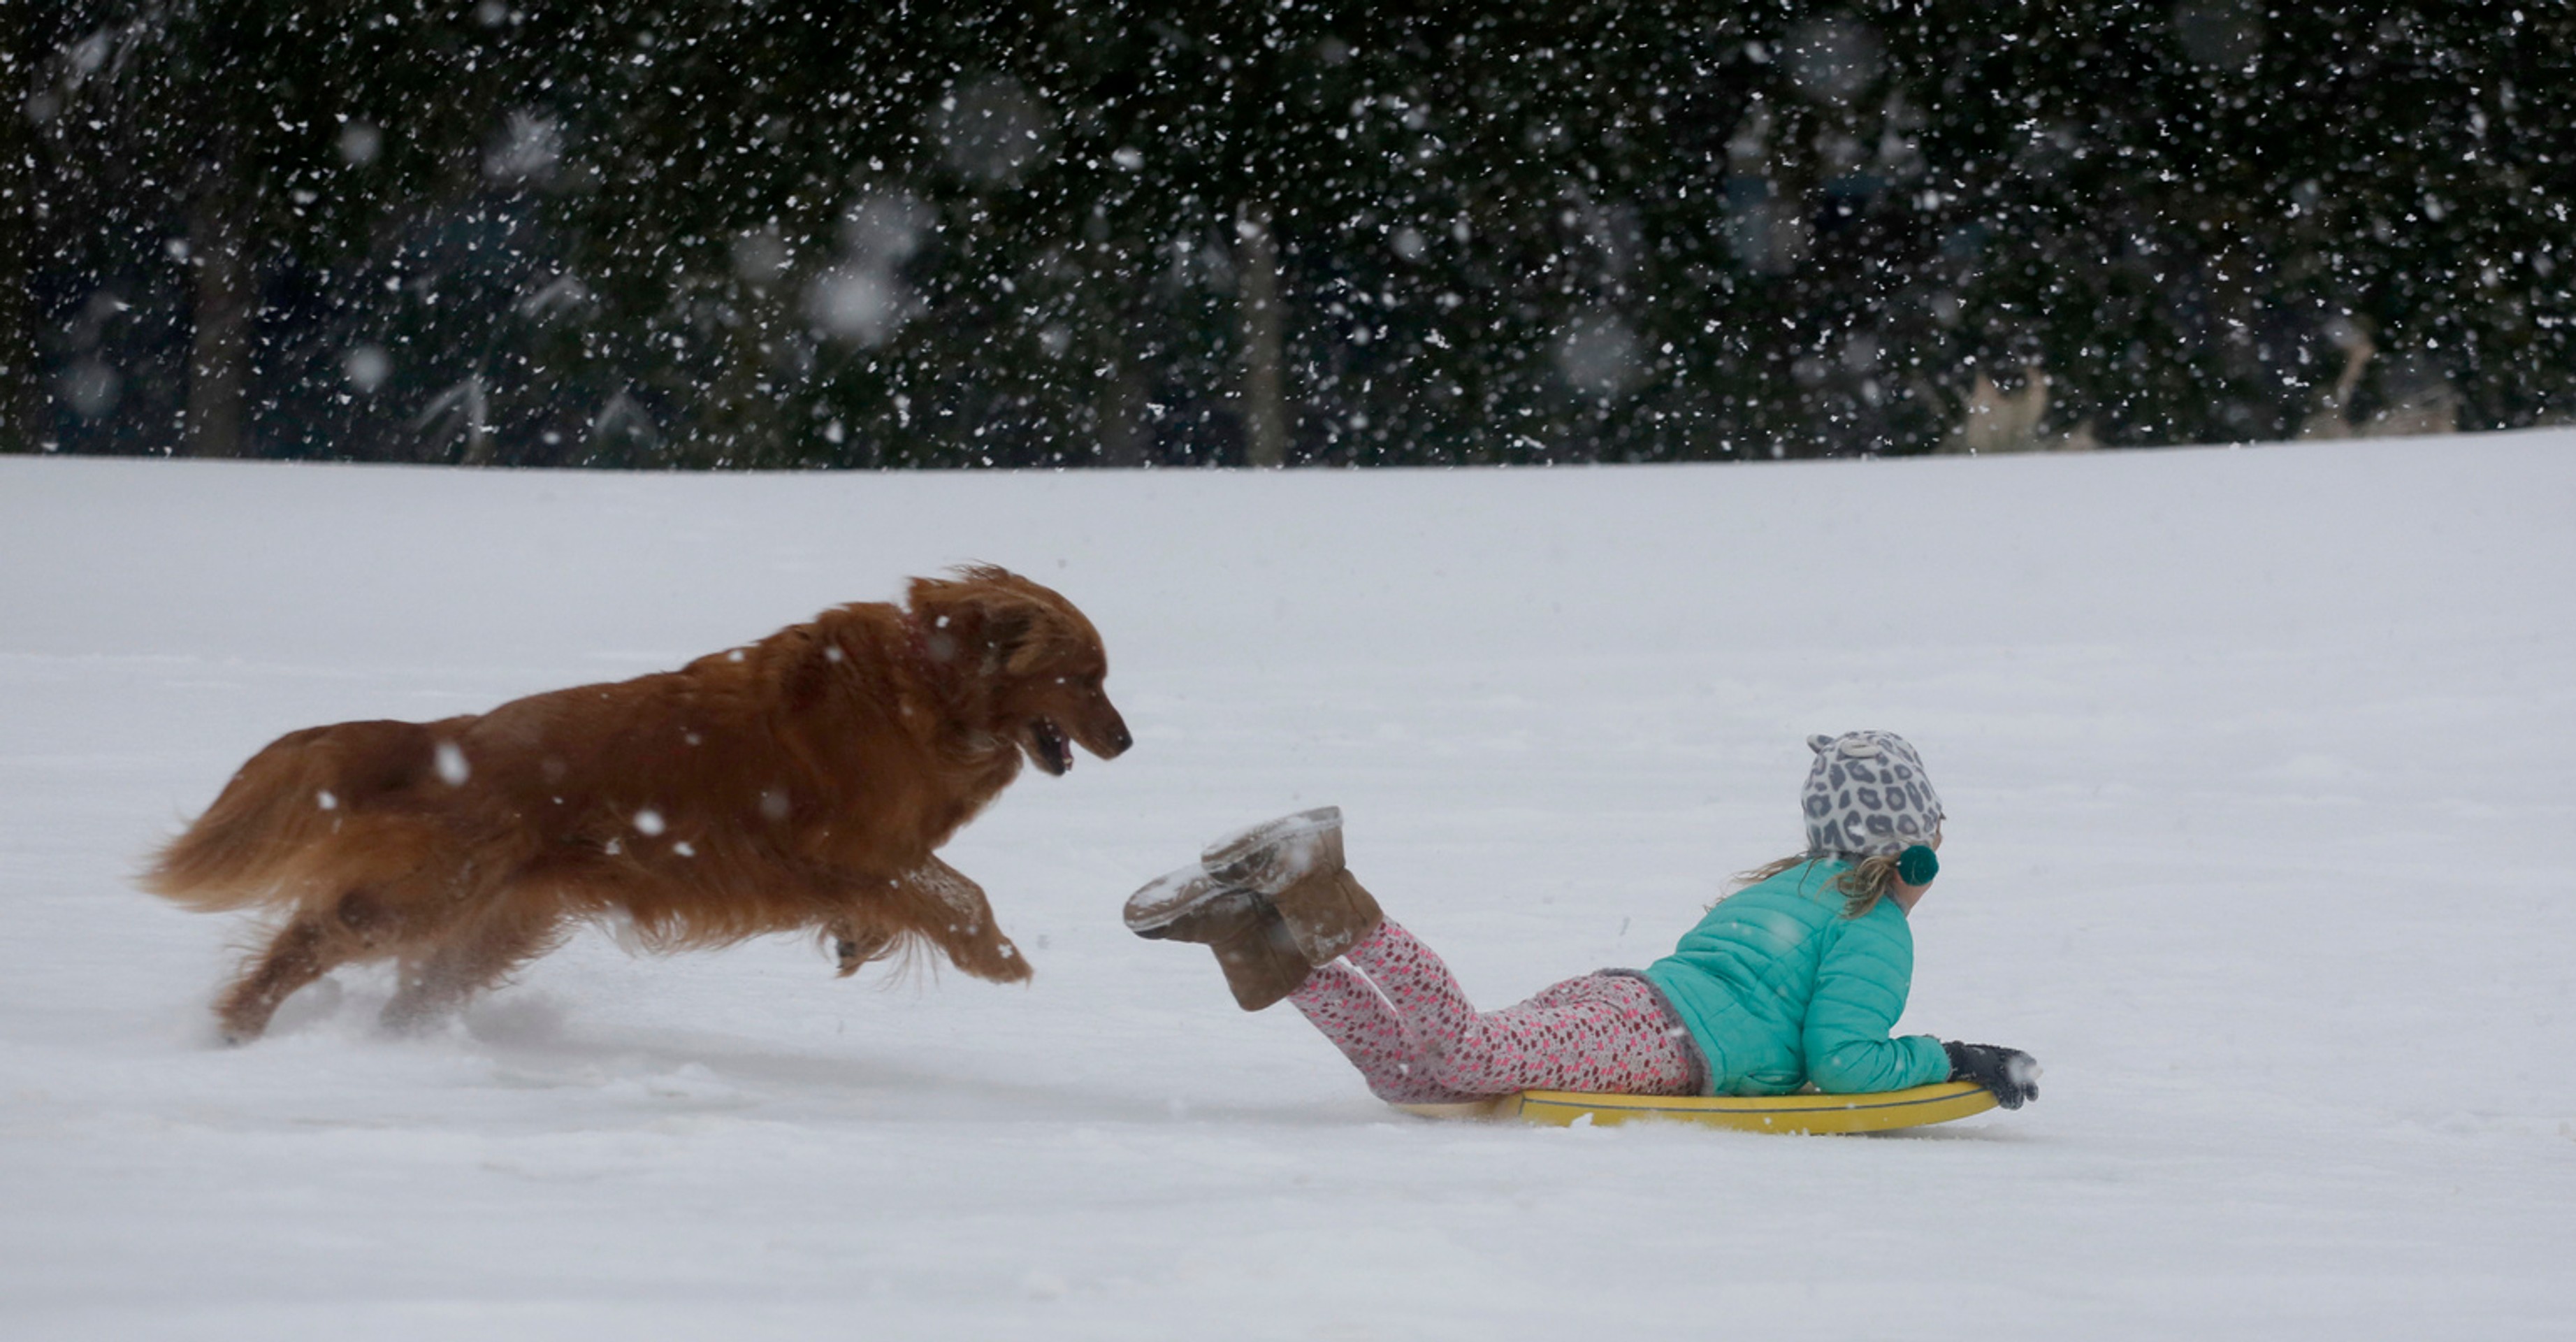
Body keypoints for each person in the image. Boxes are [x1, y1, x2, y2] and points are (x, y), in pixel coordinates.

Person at [1123, 730, 2040, 1108]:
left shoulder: (1785, 884)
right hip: (1664, 1046)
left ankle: (1260, 938)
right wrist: (1951, 1060)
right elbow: (1840, 1062)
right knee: (1465, 1058)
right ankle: (1326, 893)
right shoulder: (1874, 927)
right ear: (1911, 849)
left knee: (1420, 1085)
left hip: (1624, 1001)